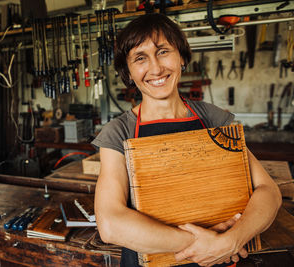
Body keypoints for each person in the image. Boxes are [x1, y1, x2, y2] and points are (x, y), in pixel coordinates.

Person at [92, 13, 282, 267]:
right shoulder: (119, 132)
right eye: (140, 58)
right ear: (128, 71)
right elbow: (111, 224)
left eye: (163, 51)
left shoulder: (214, 118)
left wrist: (233, 241)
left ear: (181, 56)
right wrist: (205, 245)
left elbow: (269, 192)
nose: (156, 68)